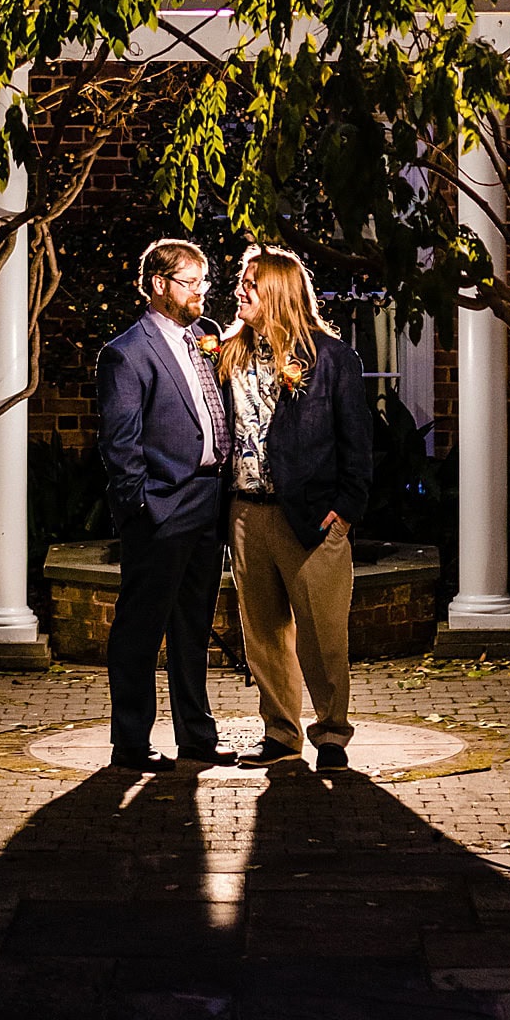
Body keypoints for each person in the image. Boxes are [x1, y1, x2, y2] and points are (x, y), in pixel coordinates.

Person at [219, 245, 374, 773]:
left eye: (250, 283)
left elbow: (358, 443)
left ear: (279, 292)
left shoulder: (331, 359)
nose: (240, 291)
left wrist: (345, 510)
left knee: (324, 635)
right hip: (246, 512)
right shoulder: (229, 353)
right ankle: (280, 733)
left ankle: (331, 733)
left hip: (312, 515)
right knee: (262, 634)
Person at [95, 236, 239, 771]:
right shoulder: (126, 354)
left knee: (193, 627)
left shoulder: (207, 336)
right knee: (140, 627)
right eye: (190, 282)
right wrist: (143, 510)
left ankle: (196, 737)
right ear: (159, 285)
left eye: (203, 281)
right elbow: (120, 446)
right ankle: (130, 743)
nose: (201, 291)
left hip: (208, 501)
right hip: (161, 507)